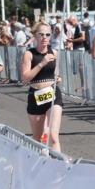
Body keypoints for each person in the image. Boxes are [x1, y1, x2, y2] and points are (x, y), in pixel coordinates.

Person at [20, 22, 64, 152]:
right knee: (38, 138)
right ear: (35, 36)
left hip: (52, 94)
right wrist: (42, 63)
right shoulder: (29, 54)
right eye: (41, 34)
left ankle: (58, 166)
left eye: (48, 34)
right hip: (36, 95)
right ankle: (39, 165)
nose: (45, 37)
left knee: (53, 136)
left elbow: (55, 72)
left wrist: (58, 78)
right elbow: (25, 78)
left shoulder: (54, 52)